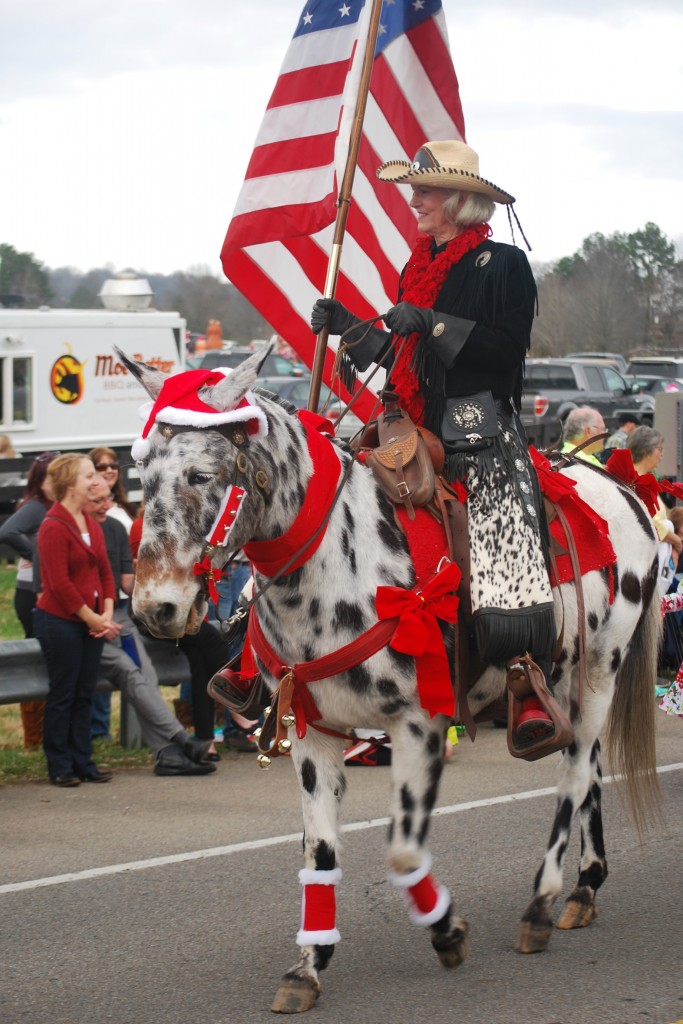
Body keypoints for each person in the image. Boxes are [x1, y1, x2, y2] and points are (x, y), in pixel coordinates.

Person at [311, 138, 557, 754]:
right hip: (412, 419)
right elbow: (405, 356)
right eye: (414, 188)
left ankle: (525, 674)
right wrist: (351, 328)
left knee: (501, 512)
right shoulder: (416, 266)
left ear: (460, 200)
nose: (413, 199)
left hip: (479, 420)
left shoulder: (503, 265)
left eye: (424, 190)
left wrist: (434, 323)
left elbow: (504, 352)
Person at [85, 476, 216, 776]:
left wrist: (146, 574)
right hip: (84, 622)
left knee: (145, 674)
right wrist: (96, 618)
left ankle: (168, 753)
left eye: (109, 499)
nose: (108, 506)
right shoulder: (60, 528)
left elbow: (118, 582)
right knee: (130, 672)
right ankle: (181, 739)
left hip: (113, 615)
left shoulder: (114, 528)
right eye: (98, 501)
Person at [34, 453, 118, 787]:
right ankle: (60, 764)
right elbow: (59, 584)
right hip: (61, 621)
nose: (95, 480)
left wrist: (107, 611)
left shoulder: (89, 521)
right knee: (63, 695)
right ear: (70, 485)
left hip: (92, 620)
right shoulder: (53, 526)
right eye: (87, 476)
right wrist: (91, 618)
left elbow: (104, 570)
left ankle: (83, 760)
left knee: (86, 692)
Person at [0, 451, 58, 748]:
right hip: (31, 593)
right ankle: (34, 738)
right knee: (39, 661)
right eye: (54, 475)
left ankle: (44, 736)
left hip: (48, 591)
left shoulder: (57, 505)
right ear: (40, 480)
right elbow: (8, 531)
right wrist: (37, 556)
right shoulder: (37, 506)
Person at [88, 446, 138, 738]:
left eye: (113, 465)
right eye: (100, 465)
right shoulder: (86, 514)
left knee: (130, 667)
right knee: (102, 666)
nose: (108, 470)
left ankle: (107, 728)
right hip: (101, 603)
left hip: (124, 599)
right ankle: (98, 729)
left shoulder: (124, 508)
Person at [626, 425, 682, 597]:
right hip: (643, 565)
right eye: (659, 449)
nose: (662, 454)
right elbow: (650, 522)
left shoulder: (646, 479)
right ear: (645, 451)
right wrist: (677, 542)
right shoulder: (631, 479)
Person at [89, 447, 138, 532]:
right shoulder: (88, 508)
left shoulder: (127, 506)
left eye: (113, 465)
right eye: (102, 467)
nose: (109, 470)